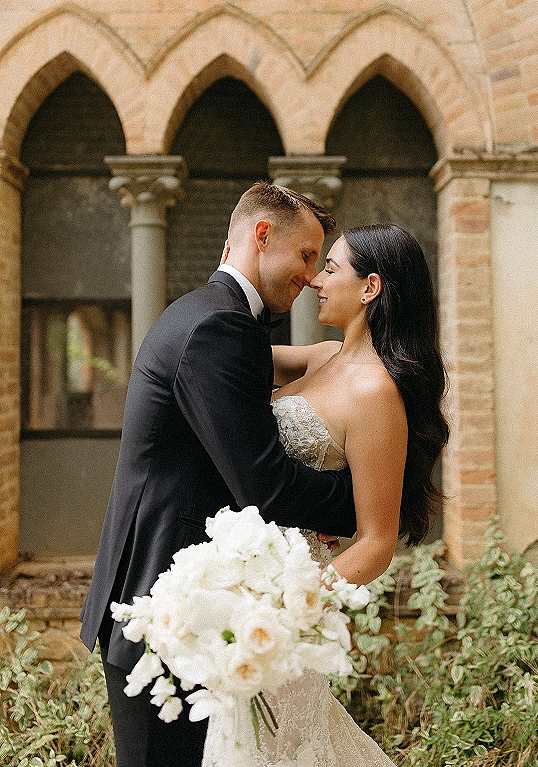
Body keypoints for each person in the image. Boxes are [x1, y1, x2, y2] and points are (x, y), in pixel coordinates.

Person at [79, 181, 359, 767]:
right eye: (306, 255)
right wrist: (373, 501)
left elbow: (242, 388)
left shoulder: (205, 314)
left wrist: (315, 357)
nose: (311, 276)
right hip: (164, 618)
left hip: (173, 607)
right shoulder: (220, 328)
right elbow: (266, 485)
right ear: (262, 236)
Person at [202, 222, 449, 766]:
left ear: (371, 288)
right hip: (241, 583)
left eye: (330, 268)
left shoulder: (376, 396)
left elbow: (377, 540)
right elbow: (221, 356)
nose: (315, 280)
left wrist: (295, 608)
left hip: (283, 607)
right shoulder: (323, 356)